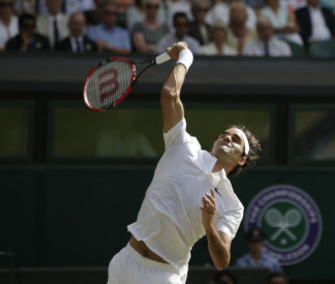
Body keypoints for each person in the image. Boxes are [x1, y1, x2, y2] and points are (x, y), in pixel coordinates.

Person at [106, 41, 262, 283]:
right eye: (225, 133)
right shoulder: (184, 145)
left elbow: (222, 261)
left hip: (163, 275)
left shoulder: (232, 205)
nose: (226, 138)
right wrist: (185, 57)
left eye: (235, 139)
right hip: (124, 261)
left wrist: (209, 224)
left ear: (241, 160)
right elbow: (170, 94)